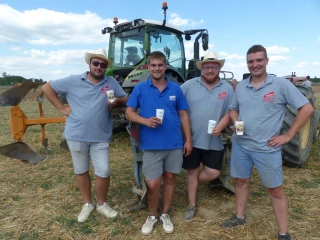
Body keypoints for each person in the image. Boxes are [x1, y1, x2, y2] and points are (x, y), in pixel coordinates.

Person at [220, 45, 314, 240]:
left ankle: (283, 232)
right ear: (247, 64)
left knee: (275, 190)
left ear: (267, 61)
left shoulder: (280, 85)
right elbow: (233, 108)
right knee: (241, 181)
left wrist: (288, 136)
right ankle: (239, 217)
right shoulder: (242, 87)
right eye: (251, 61)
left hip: (267, 148)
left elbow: (306, 109)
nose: (255, 65)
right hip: (241, 145)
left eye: (259, 60)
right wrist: (237, 122)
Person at [42, 48, 128, 223]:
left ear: (105, 67)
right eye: (95, 63)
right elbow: (46, 87)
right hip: (76, 134)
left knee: (103, 171)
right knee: (81, 170)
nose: (98, 67)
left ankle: (102, 204)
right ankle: (88, 204)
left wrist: (117, 101)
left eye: (102, 65)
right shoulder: (73, 80)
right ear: (89, 64)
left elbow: (125, 98)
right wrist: (62, 108)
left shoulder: (111, 82)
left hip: (101, 136)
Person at [125, 51, 192, 235]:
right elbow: (129, 112)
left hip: (173, 144)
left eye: (160, 65)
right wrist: (145, 121)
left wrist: (188, 140)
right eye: (153, 65)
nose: (156, 69)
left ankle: (164, 214)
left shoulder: (175, 89)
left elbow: (184, 115)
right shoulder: (140, 88)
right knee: (153, 184)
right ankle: (152, 215)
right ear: (148, 66)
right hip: (151, 144)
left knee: (170, 179)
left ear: (165, 66)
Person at [180, 51, 234, 221]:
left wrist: (222, 125)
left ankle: (191, 184)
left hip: (213, 139)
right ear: (202, 69)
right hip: (192, 139)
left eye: (214, 67)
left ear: (219, 68)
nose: (210, 70)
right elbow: (176, 105)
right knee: (192, 170)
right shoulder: (188, 85)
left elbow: (229, 112)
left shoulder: (226, 88)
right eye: (207, 67)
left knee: (213, 172)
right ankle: (191, 204)